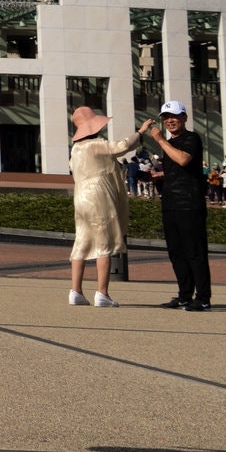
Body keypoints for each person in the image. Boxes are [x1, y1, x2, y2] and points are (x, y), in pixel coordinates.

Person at [66, 106, 140, 307]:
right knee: (104, 243)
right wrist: (140, 132)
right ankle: (102, 292)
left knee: (81, 241)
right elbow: (122, 146)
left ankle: (76, 291)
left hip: (80, 196)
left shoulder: (76, 149)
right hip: (98, 194)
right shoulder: (95, 144)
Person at [141, 100, 211, 311]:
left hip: (189, 203)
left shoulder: (191, 138)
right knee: (176, 252)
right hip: (170, 202)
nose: (170, 121)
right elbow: (178, 168)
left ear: (184, 118)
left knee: (194, 251)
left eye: (174, 116)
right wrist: (159, 175)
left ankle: (204, 298)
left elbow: (183, 160)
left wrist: (161, 141)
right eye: (166, 118)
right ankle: (184, 296)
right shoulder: (170, 142)